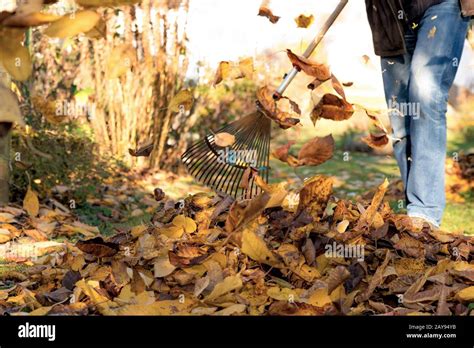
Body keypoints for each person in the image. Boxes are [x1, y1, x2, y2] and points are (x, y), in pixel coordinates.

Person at [364, 0, 472, 230]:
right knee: (400, 115)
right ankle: (415, 212)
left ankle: (425, 211)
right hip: (389, 15)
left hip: (443, 5)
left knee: (425, 94)